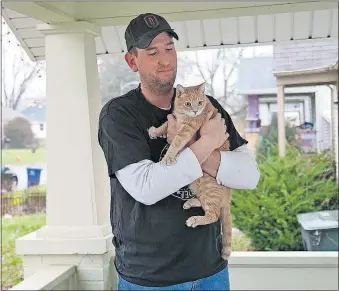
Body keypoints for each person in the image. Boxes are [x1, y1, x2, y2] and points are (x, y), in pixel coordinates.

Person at [98, 13, 260, 291]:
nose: (165, 60)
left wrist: (199, 148)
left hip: (211, 272)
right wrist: (205, 143)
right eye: (152, 52)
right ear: (132, 61)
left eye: (169, 49)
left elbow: (249, 176)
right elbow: (146, 187)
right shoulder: (119, 115)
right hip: (150, 278)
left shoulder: (206, 104)